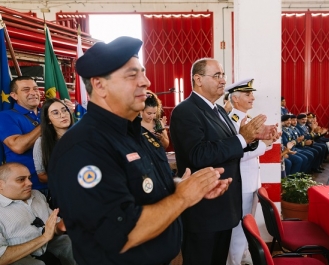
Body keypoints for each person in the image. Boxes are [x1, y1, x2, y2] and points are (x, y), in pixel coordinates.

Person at [48, 37, 230, 265]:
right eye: (132, 75)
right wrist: (184, 197)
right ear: (99, 85)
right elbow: (123, 232)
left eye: (142, 73)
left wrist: (184, 187)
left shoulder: (136, 134)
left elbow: (142, 188)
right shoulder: (84, 148)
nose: (146, 81)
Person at [169, 58, 274, 265]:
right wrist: (242, 138)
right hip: (204, 211)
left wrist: (253, 139)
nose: (223, 80)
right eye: (216, 75)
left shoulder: (218, 111)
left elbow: (230, 149)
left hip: (225, 208)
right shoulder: (186, 111)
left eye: (223, 75)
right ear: (198, 79)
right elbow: (198, 155)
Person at [225, 78, 277, 265]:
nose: (253, 98)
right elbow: (236, 154)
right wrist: (264, 145)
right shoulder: (233, 121)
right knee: (239, 228)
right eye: (248, 94)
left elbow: (249, 147)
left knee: (248, 224)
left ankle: (244, 254)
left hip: (250, 181)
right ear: (236, 99)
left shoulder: (245, 120)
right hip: (242, 183)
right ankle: (235, 261)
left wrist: (267, 141)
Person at [0, 162, 76, 265]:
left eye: (29, 178)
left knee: (74, 243)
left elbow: (53, 230)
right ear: (1, 184)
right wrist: (44, 237)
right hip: (18, 256)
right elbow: (2, 258)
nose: (30, 183)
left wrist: (62, 225)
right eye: (21, 179)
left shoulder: (37, 195)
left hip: (50, 244)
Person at [33, 98, 74, 185]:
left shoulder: (83, 135)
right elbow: (42, 176)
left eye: (64, 110)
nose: (63, 115)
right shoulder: (41, 142)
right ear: (48, 120)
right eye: (55, 113)